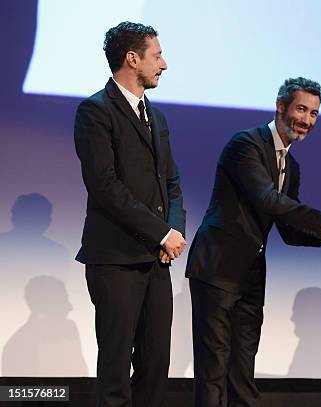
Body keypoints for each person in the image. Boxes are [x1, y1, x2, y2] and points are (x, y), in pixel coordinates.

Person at [185, 77, 321, 407]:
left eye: (314, 114)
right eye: (301, 109)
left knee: (243, 372)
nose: (306, 120)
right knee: (214, 371)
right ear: (281, 106)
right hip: (217, 270)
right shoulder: (245, 145)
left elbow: (289, 230)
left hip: (250, 277)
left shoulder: (291, 165)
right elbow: (267, 200)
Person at [74, 21, 186, 407]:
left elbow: (171, 183)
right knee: (116, 368)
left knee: (156, 366)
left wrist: (174, 233)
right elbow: (105, 187)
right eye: (157, 55)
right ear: (132, 58)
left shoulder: (158, 117)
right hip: (116, 261)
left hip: (156, 261)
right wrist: (161, 233)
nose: (164, 64)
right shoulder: (95, 111)